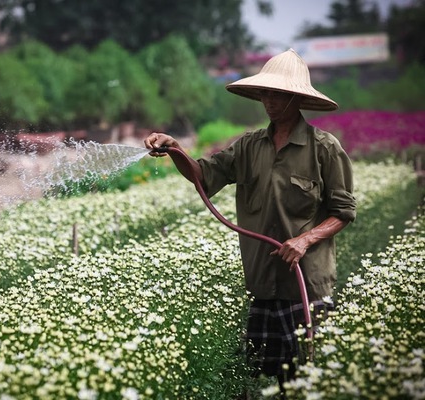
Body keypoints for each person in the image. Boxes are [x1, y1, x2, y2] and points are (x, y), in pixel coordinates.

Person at [144, 49, 356, 397]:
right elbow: (203, 175)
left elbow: (344, 211)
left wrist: (305, 240)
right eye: (265, 93)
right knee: (267, 376)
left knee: (308, 379)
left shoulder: (324, 149)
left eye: (277, 94)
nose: (269, 101)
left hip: (306, 285)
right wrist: (175, 149)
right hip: (263, 283)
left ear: (296, 98)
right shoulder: (249, 146)